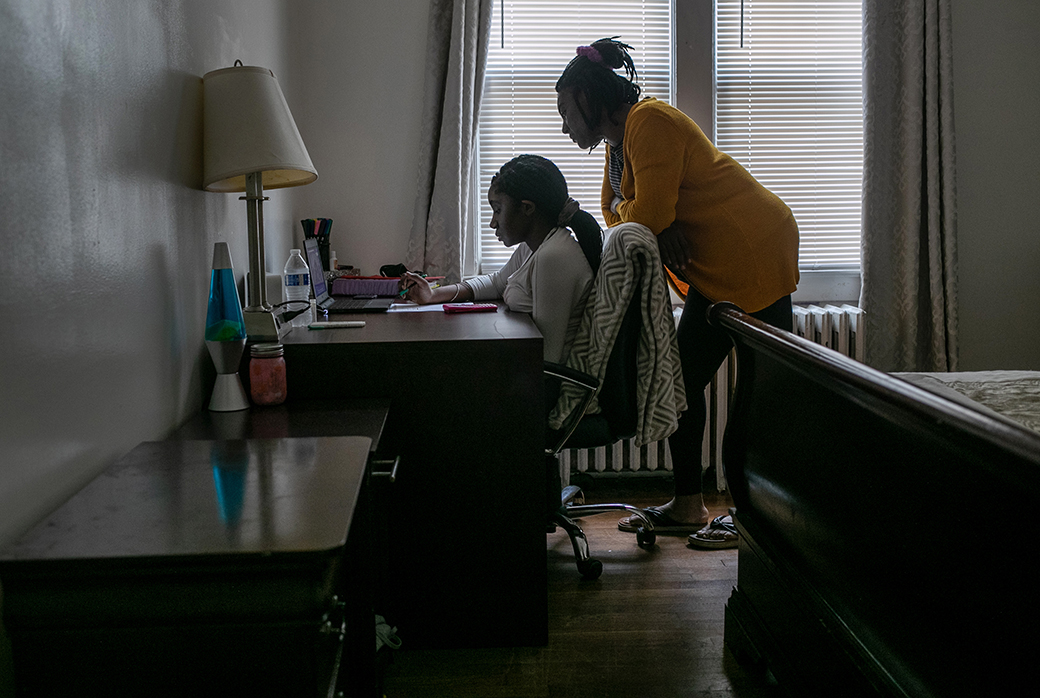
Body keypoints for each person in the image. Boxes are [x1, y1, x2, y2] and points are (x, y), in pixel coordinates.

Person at [555, 38, 800, 549]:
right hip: (716, 271)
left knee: (763, 395)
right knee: (680, 386)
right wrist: (653, 220)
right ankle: (690, 504)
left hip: (754, 250)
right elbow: (622, 216)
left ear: (586, 98)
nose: (563, 126)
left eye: (565, 112)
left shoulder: (650, 122)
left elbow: (644, 215)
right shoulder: (619, 147)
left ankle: (753, 518)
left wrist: (654, 219)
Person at [399, 154, 602, 364]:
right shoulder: (533, 248)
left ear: (527, 208)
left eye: (498, 210)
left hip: (543, 382)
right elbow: (496, 283)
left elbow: (546, 357)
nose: (492, 223)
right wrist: (432, 295)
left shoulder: (554, 257)